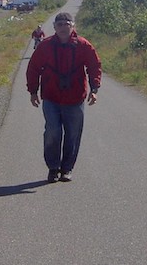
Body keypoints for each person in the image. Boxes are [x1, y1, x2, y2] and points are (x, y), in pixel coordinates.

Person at [26, 12, 101, 183]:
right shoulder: (45, 46)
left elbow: (94, 66)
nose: (63, 27)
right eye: (59, 24)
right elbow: (33, 68)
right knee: (53, 132)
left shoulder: (83, 45)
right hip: (51, 98)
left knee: (72, 134)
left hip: (75, 99)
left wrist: (94, 89)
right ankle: (53, 168)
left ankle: (67, 168)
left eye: (66, 23)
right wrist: (33, 91)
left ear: (72, 26)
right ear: (54, 27)